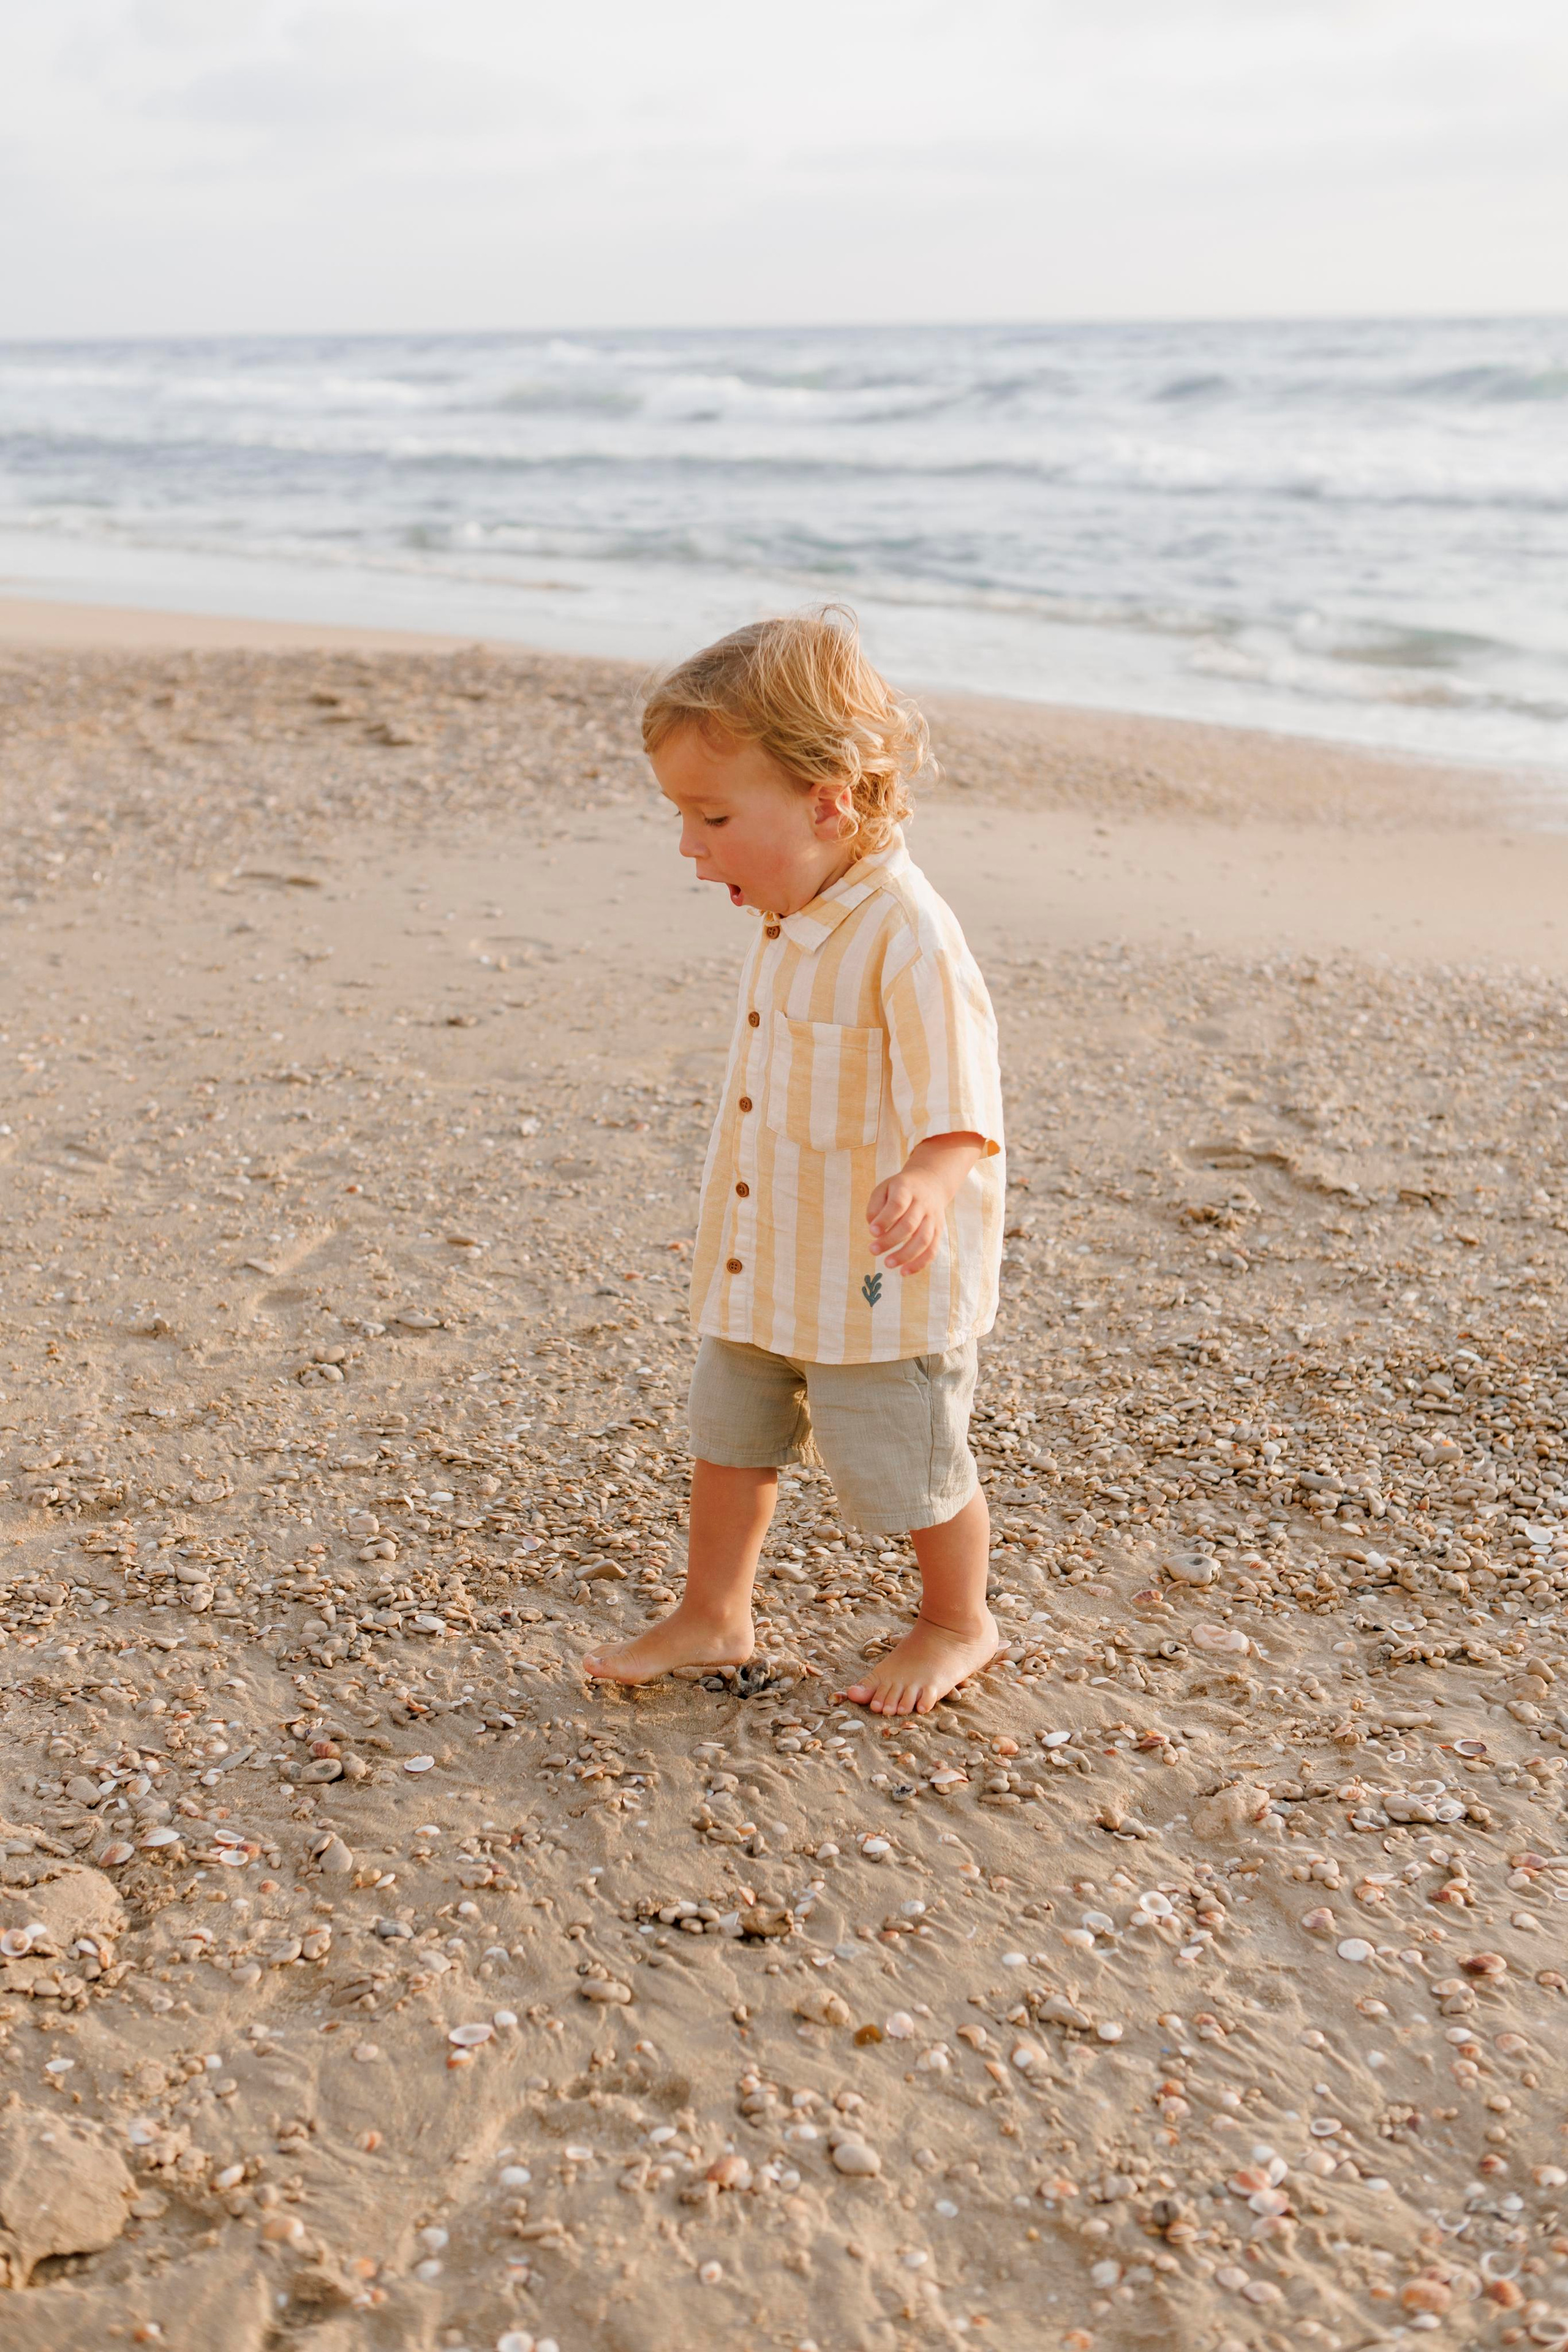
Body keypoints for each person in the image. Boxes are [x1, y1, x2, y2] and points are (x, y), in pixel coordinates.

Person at [583, 608, 1006, 1714]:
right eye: (684, 816)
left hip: (878, 1277)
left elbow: (960, 1100)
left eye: (713, 816)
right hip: (772, 1250)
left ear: (830, 801)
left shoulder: (906, 933)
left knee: (907, 1458)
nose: (690, 846)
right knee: (732, 1431)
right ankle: (716, 1608)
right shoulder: (796, 905)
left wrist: (928, 1180)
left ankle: (959, 1620)